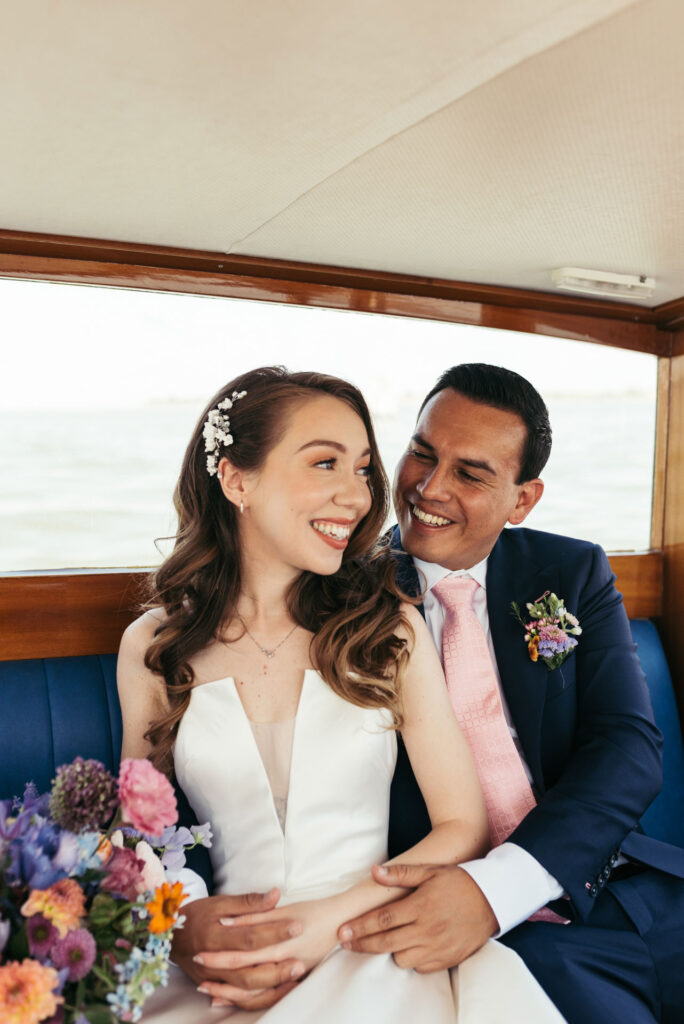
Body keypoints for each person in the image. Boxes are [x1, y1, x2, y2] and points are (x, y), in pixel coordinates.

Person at [116, 366, 565, 1023]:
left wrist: (330, 922)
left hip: (369, 940)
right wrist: (182, 921)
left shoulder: (388, 626)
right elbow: (136, 829)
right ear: (238, 480)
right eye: (325, 463)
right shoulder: (156, 644)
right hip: (223, 966)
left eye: (361, 469)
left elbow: (461, 826)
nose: (356, 497)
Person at [338, 363, 684, 1024]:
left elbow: (628, 746)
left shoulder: (572, 569)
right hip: (493, 938)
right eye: (422, 453)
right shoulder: (343, 598)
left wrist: (503, 884)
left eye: (470, 473)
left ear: (523, 500)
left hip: (629, 886)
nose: (429, 487)